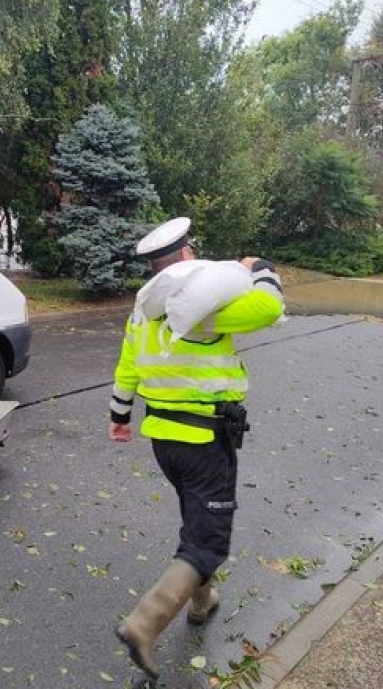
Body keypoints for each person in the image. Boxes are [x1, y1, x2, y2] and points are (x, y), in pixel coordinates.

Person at [109, 217, 285, 681]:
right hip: (204, 439)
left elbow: (129, 363)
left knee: (196, 519)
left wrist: (119, 416)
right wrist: (261, 267)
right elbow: (268, 308)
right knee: (209, 539)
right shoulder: (202, 306)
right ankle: (143, 625)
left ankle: (203, 601)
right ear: (187, 257)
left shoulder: (145, 307)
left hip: (163, 441)